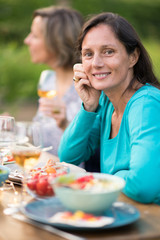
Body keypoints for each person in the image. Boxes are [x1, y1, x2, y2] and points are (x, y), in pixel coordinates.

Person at [58, 12, 160, 204]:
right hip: (124, 212)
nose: (96, 63)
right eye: (88, 54)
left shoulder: (145, 105)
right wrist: (88, 107)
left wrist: (105, 178)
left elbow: (144, 187)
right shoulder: (106, 102)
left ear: (133, 57)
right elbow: (68, 156)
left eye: (108, 51)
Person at [24, 6, 84, 156]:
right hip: (44, 170)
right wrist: (11, 128)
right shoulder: (48, 80)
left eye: (35, 36)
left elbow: (91, 148)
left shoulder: (87, 85)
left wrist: (65, 124)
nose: (27, 40)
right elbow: (41, 134)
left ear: (56, 42)